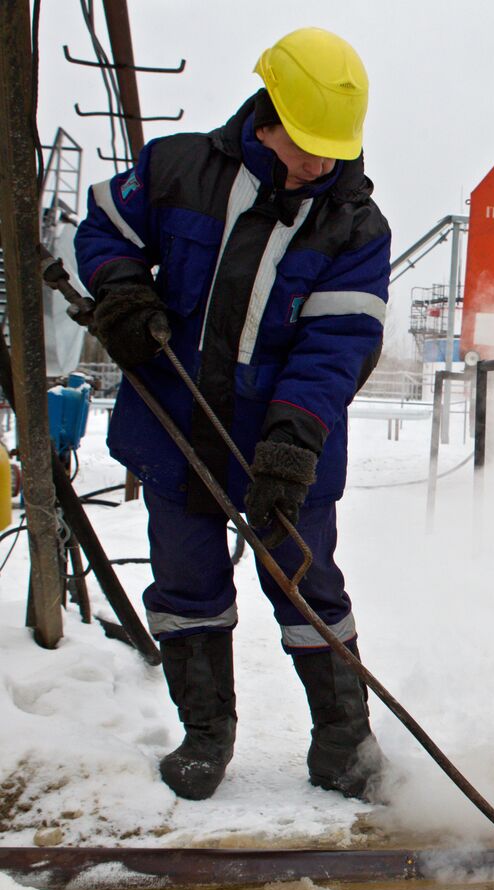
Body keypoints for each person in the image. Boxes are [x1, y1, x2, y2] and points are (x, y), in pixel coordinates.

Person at [74, 27, 390, 802]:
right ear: (269, 111)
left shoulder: (354, 226)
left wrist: (291, 444)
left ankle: (345, 739)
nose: (321, 163)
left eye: (333, 149)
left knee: (306, 586)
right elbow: (105, 232)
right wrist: (122, 291)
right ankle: (205, 732)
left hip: (285, 443)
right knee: (188, 587)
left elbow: (336, 346)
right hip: (175, 425)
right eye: (307, 145)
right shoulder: (176, 169)